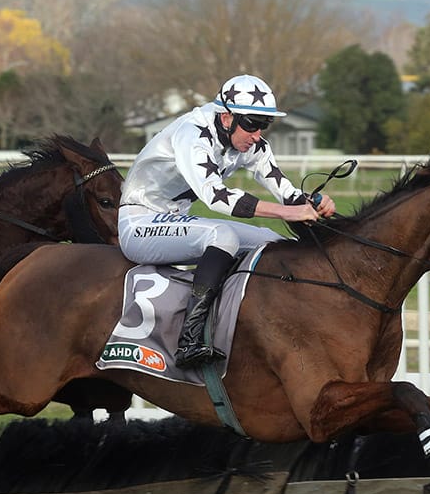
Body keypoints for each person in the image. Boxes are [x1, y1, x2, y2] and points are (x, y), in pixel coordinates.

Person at [118, 73, 336, 367]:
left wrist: (313, 204)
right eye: (251, 124)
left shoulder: (252, 144)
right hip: (139, 225)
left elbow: (288, 194)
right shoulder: (192, 134)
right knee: (222, 236)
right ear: (225, 118)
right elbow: (216, 197)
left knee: (276, 244)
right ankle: (189, 340)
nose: (257, 134)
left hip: (175, 222)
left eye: (264, 125)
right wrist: (286, 212)